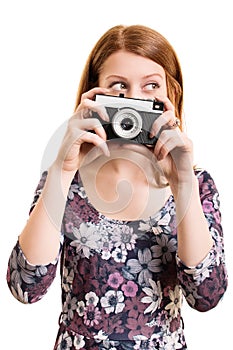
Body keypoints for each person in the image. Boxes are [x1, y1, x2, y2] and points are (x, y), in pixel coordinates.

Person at [7, 24, 228, 350]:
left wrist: (183, 187)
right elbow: (26, 286)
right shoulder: (67, 181)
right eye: (118, 86)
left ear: (172, 96)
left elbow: (206, 295)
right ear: (94, 95)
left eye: (151, 85)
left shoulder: (197, 184)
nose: (134, 100)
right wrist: (62, 170)